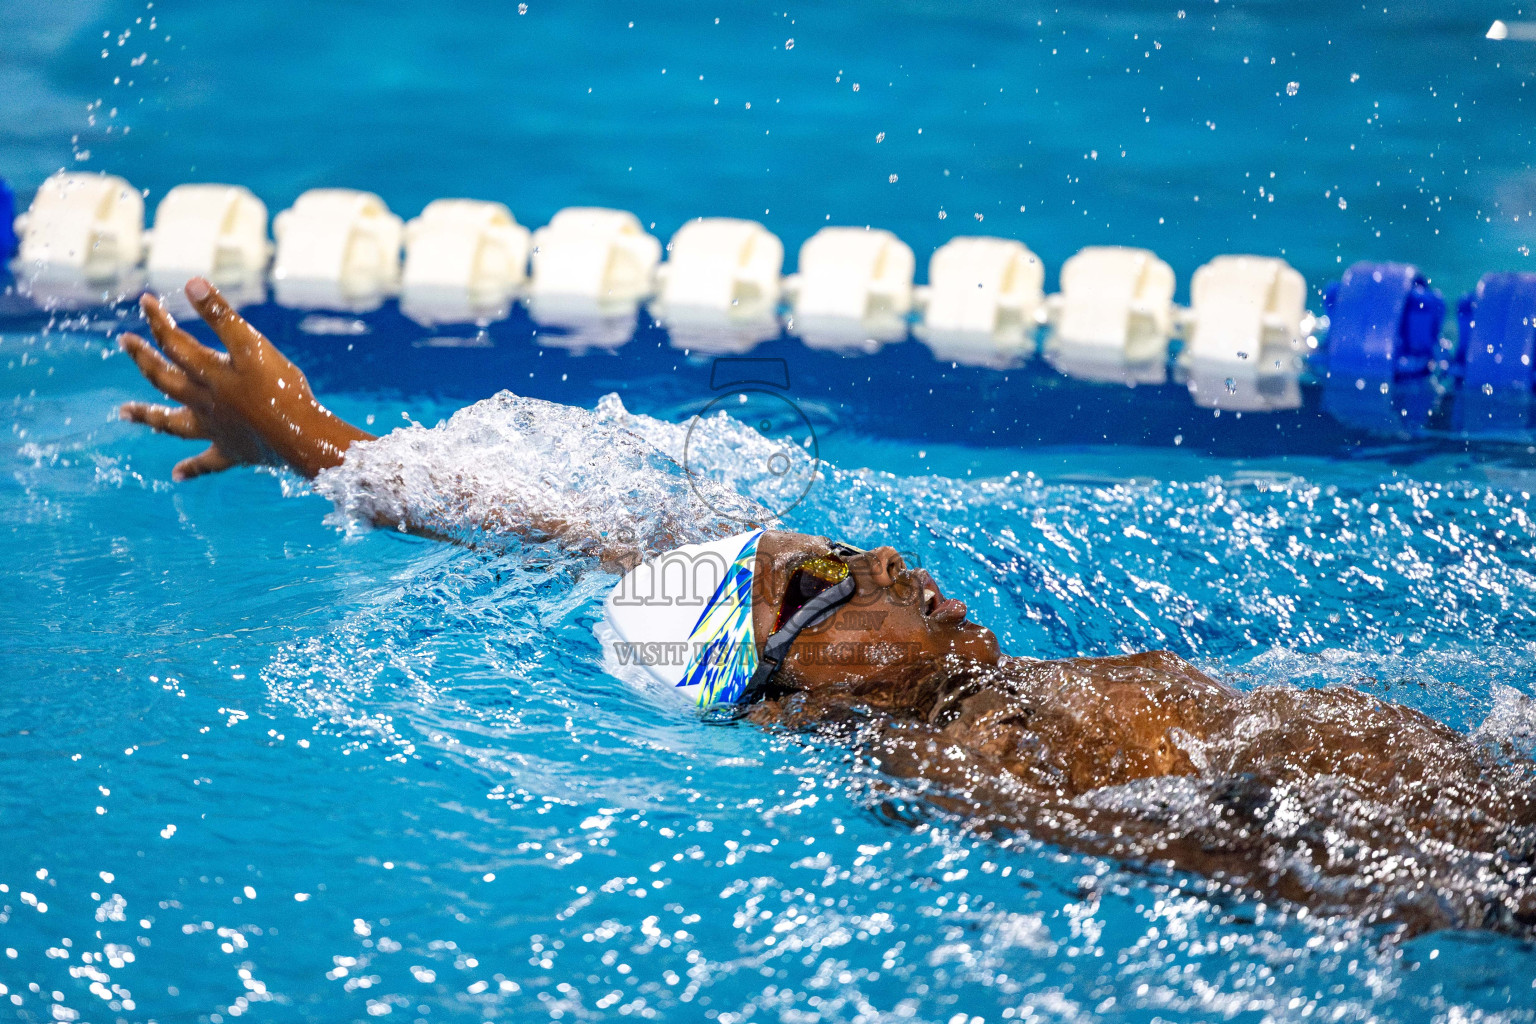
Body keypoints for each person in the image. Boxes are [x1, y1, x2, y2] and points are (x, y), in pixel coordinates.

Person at [119, 278, 1536, 938]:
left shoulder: (880, 675)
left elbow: (605, 547)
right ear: (789, 702)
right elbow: (1223, 855)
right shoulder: (945, 756)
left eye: (854, 549)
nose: (891, 569)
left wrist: (318, 441)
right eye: (832, 585)